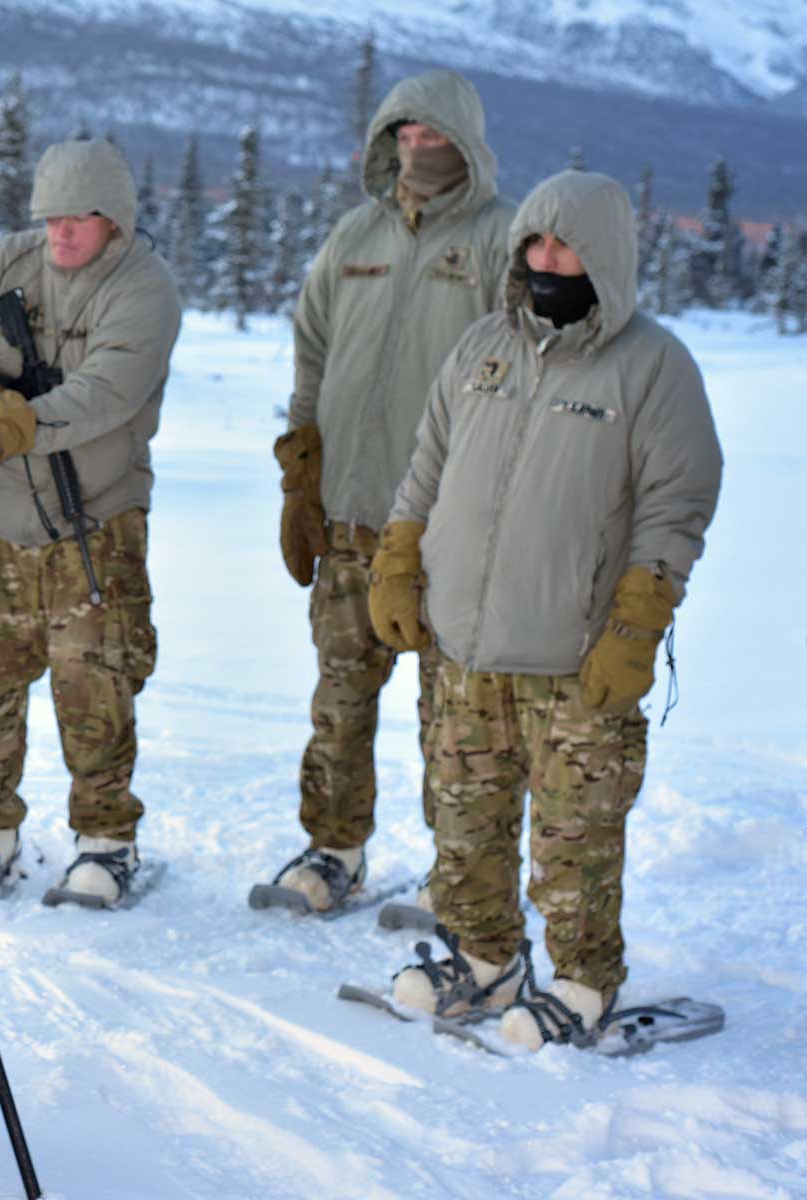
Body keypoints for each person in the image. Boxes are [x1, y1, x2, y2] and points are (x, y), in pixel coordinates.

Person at [371, 170, 722, 1048]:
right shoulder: (483, 346)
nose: (544, 259)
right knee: (463, 819)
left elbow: (677, 503)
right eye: (533, 242)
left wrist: (638, 623)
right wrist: (397, 560)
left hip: (576, 650)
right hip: (462, 646)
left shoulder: (652, 364)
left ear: (604, 255)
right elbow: (427, 464)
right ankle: (486, 960)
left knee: (575, 838)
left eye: (563, 245)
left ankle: (582, 982)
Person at [0, 138, 181, 909]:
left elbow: (105, 394)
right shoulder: (9, 264)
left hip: (94, 524)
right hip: (0, 522)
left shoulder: (143, 288)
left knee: (93, 688)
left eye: (79, 219)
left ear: (115, 220)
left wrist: (6, 428)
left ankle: (106, 841)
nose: (60, 234)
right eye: (51, 217)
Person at [268, 69, 515, 912]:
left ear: (465, 141)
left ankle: (461, 875)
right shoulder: (353, 236)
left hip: (448, 527)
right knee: (340, 700)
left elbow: (516, 379)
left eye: (432, 133)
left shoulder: (499, 240)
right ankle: (334, 852)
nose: (416, 148)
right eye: (403, 133)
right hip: (347, 518)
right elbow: (312, 350)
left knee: (455, 721)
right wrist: (302, 469)